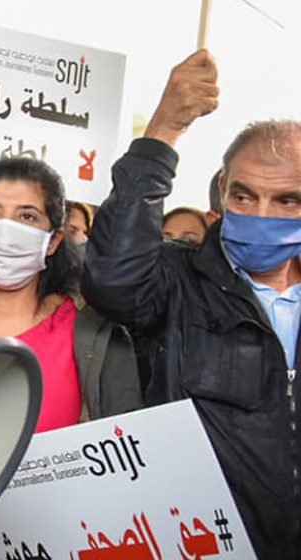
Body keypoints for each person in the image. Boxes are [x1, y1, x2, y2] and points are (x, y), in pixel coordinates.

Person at [82, 50, 299, 559]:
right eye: (244, 196)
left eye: (286, 200)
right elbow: (113, 277)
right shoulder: (180, 281)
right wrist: (164, 130)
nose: (261, 214)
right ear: (221, 193)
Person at [0, 158, 141, 433]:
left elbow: (126, 447)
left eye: (27, 216)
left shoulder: (93, 334)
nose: (5, 231)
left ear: (53, 240)